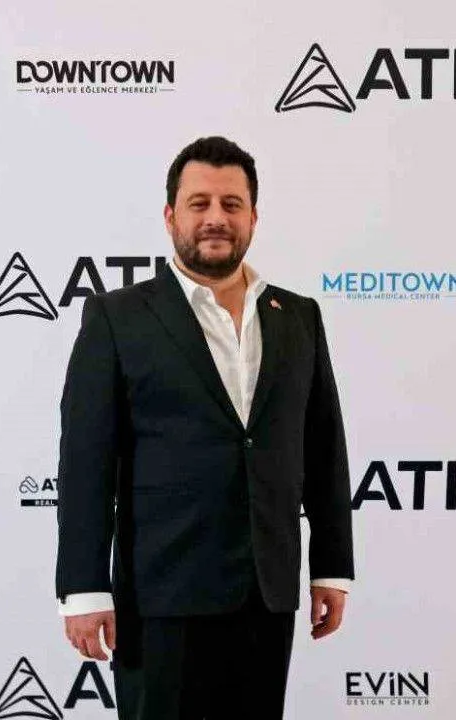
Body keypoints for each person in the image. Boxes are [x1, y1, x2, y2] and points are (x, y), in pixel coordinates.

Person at [55, 135, 354, 719]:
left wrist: (332, 567)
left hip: (266, 594)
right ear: (171, 216)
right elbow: (86, 464)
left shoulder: (298, 317)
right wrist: (85, 588)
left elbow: (324, 450)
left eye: (231, 204)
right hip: (163, 596)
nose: (216, 217)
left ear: (253, 217)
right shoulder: (118, 318)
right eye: (199, 203)